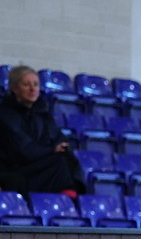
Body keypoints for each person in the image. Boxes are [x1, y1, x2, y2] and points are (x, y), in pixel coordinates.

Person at [0, 65, 86, 196]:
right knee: (59, 162)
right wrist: (52, 150)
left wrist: (62, 145)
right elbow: (23, 149)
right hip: (16, 169)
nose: (32, 89)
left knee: (67, 156)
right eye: (26, 85)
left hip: (39, 164)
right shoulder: (5, 115)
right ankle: (67, 197)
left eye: (35, 84)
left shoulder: (41, 112)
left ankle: (71, 198)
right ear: (15, 88)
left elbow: (57, 136)